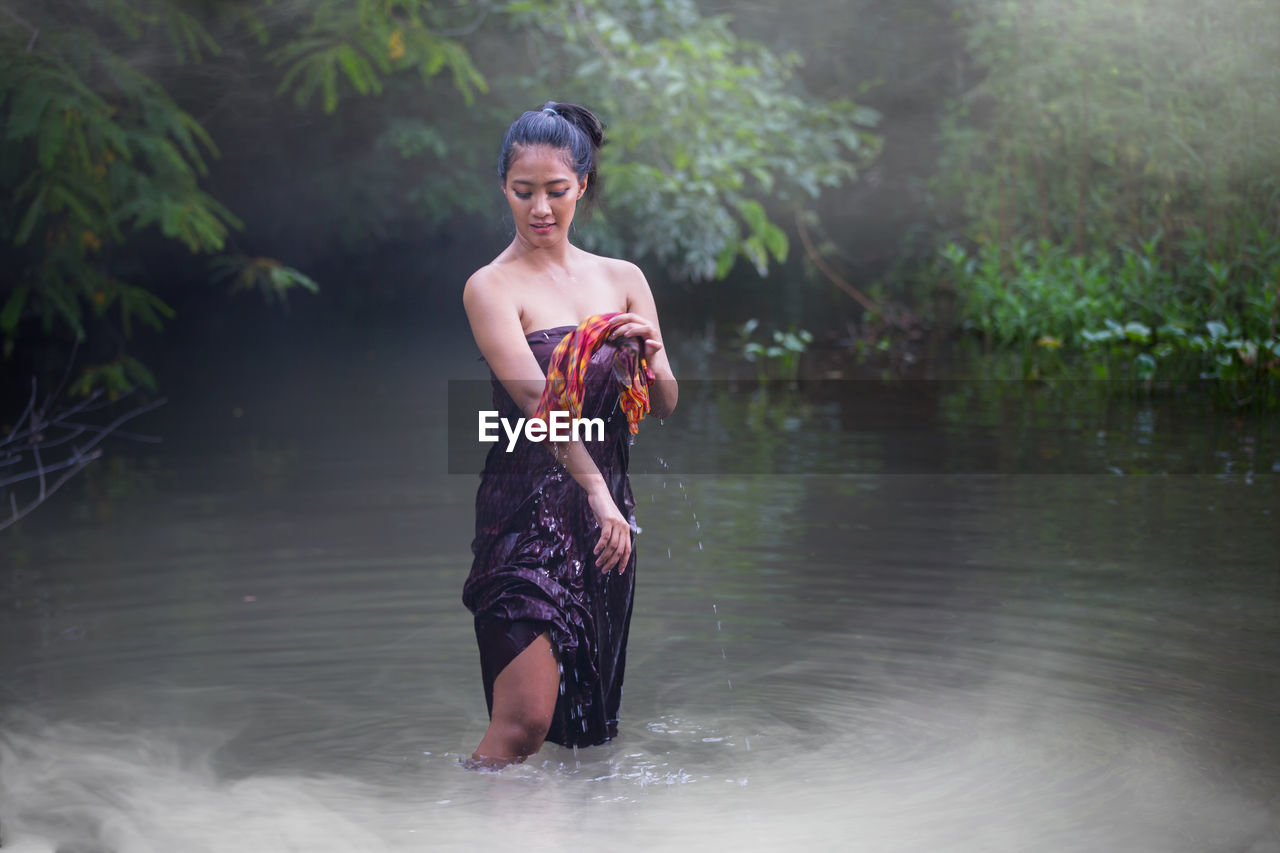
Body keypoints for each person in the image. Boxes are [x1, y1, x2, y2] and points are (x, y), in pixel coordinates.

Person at [460, 101, 678, 769]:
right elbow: (536, 401)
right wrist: (599, 497)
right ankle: (446, 831)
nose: (540, 208)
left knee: (588, 732)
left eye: (556, 190)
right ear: (504, 187)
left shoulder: (623, 280)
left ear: (583, 184)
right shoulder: (491, 287)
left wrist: (647, 348)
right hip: (526, 515)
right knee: (522, 723)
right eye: (524, 191)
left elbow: (665, 401)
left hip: (605, 526)